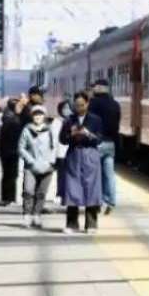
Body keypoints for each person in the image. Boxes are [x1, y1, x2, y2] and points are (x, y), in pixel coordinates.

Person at [59, 92, 103, 234]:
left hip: (90, 155)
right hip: (74, 155)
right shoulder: (68, 120)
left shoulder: (96, 119)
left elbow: (100, 140)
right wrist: (71, 134)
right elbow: (62, 139)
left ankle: (91, 224)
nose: (79, 108)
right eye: (77, 105)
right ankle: (72, 223)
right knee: (72, 189)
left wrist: (88, 134)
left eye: (82, 105)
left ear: (87, 104)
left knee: (91, 189)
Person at [18, 105, 56, 228]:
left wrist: (51, 161)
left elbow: (55, 146)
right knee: (28, 191)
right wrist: (30, 160)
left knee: (41, 193)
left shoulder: (50, 130)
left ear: (44, 116)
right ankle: (27, 216)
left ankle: (37, 215)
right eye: (35, 114)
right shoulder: (26, 130)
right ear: (32, 116)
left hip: (47, 167)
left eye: (40, 114)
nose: (38, 116)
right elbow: (21, 148)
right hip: (31, 167)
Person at [88, 78, 121, 214]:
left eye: (94, 87)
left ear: (98, 88)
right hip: (110, 143)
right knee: (109, 174)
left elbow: (90, 123)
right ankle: (111, 201)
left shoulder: (93, 104)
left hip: (97, 142)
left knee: (96, 174)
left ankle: (99, 201)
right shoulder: (115, 104)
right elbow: (116, 125)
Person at [0, 97, 23, 205]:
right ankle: (9, 198)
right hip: (11, 150)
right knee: (11, 175)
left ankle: (5, 198)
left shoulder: (6, 115)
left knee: (8, 175)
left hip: (6, 150)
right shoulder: (12, 117)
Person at [51, 101, 72, 208]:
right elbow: (54, 139)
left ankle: (67, 195)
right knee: (61, 176)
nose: (67, 110)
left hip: (71, 153)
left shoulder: (73, 121)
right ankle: (60, 194)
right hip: (61, 153)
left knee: (70, 176)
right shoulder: (57, 122)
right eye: (64, 108)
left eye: (68, 107)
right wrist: (53, 155)